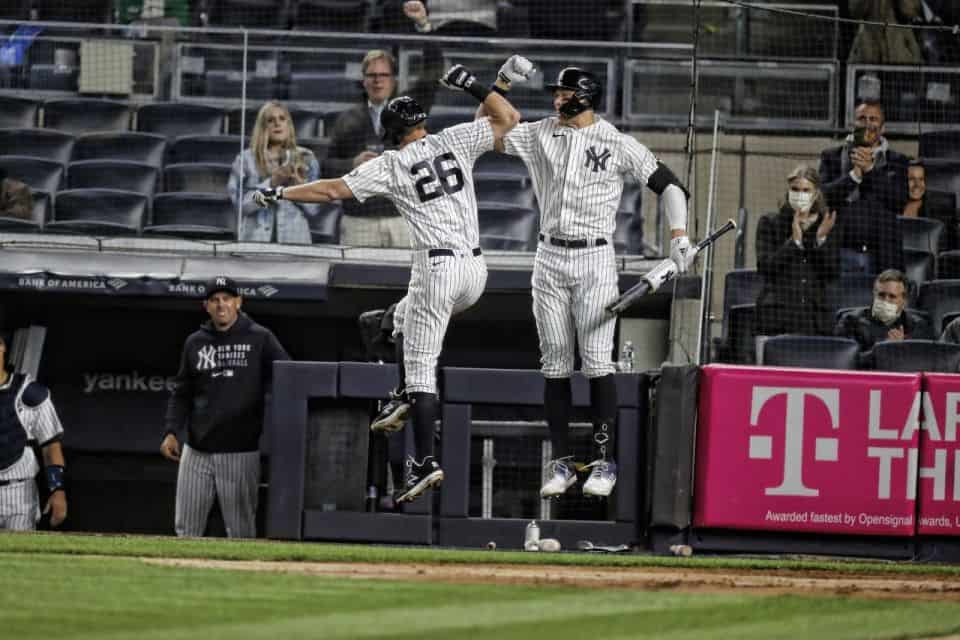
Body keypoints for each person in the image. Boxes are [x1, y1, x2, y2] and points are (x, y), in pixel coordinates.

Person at [254, 60, 524, 503]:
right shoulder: (452, 138)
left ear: (390, 132)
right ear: (421, 123)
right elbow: (505, 117)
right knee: (388, 322)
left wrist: (280, 192)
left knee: (422, 372)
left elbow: (331, 191)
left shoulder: (393, 163)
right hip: (475, 272)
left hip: (439, 268)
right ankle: (402, 394)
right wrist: (484, 85)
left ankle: (425, 460)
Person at [476, 64, 692, 499]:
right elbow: (485, 128)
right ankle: (561, 462)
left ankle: (603, 461)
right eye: (556, 93)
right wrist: (498, 83)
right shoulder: (541, 133)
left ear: (586, 94)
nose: (557, 99)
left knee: (596, 363)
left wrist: (679, 235)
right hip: (548, 255)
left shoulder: (616, 142)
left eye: (564, 93)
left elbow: (670, 186)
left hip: (595, 257)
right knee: (555, 363)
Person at [161, 276, 290, 537]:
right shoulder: (195, 342)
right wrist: (172, 430)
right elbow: (182, 392)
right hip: (197, 451)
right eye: (215, 300)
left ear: (238, 302)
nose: (221, 305)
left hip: (240, 452)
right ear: (206, 306)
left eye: (227, 299)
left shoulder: (260, 337)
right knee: (186, 530)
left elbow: (288, 377)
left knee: (240, 532)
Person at [324, 1, 443, 248]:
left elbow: (433, 72)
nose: (378, 81)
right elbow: (326, 166)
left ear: (394, 79)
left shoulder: (409, 108)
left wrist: (423, 25)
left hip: (402, 217)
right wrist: (352, 164)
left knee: (408, 284)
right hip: (359, 221)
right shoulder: (347, 121)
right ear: (363, 80)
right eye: (372, 75)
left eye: (384, 75)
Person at [755, 165, 839, 352]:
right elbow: (765, 267)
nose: (800, 194)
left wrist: (820, 239)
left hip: (815, 321)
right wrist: (794, 242)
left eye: (806, 190)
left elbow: (832, 272)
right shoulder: (770, 223)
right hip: (777, 319)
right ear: (788, 191)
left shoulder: (826, 225)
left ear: (816, 193)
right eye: (795, 189)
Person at [819, 100, 909, 274]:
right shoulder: (831, 157)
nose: (867, 123)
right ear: (853, 124)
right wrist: (854, 176)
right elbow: (823, 198)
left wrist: (869, 170)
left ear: (883, 127)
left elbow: (898, 202)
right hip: (840, 252)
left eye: (873, 119)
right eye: (862, 118)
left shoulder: (898, 161)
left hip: (883, 256)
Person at [228, 100, 321, 244]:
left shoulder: (306, 158)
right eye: (271, 120)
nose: (277, 124)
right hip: (256, 242)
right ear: (262, 127)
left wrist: (299, 188)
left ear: (289, 125)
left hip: (295, 242)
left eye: (282, 119)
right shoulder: (245, 159)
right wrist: (271, 184)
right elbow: (241, 207)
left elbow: (314, 210)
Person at [0, 333, 67, 530]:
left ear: (2, 347)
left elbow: (50, 447)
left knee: (18, 558)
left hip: (19, 492)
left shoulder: (29, 393)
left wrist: (58, 490)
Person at [834, 269, 934, 359]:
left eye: (892, 296)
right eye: (881, 295)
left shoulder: (918, 326)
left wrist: (903, 347)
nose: (886, 300)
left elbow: (922, 362)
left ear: (904, 301)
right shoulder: (850, 322)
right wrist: (883, 349)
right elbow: (847, 363)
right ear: (874, 294)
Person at [902, 160, 958, 252]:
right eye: (911, 179)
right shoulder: (888, 206)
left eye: (921, 179)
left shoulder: (941, 208)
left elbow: (948, 250)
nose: (917, 185)